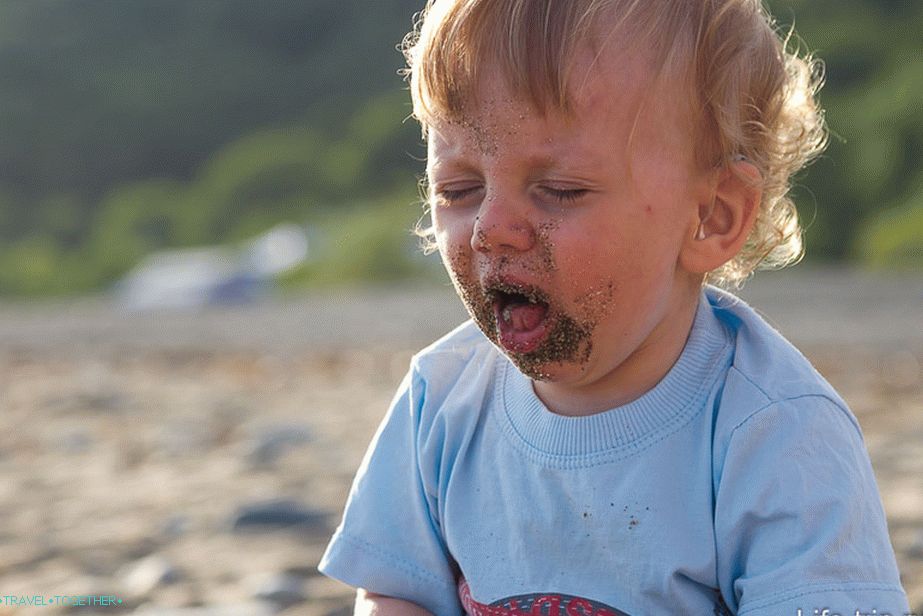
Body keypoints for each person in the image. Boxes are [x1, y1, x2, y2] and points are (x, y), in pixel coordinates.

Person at [319, 1, 911, 614]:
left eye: (561, 190)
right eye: (459, 190)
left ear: (713, 214)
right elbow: (395, 592)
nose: (490, 229)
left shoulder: (776, 434)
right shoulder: (440, 400)